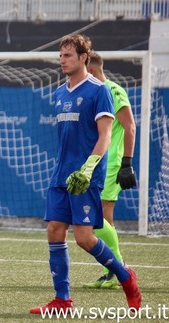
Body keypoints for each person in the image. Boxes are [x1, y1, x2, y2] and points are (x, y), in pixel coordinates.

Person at [29, 35, 141, 314]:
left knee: (84, 238)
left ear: (83, 58)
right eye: (60, 56)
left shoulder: (99, 90)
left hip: (86, 176)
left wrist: (89, 167)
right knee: (54, 230)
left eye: (68, 55)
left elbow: (104, 136)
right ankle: (63, 301)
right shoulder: (59, 93)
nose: (62, 60)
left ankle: (126, 278)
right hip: (61, 175)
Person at [83, 51, 137, 289]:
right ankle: (112, 269)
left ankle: (118, 268)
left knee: (100, 217)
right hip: (97, 164)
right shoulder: (94, 93)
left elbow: (130, 126)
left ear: (91, 70)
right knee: (101, 219)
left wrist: (127, 163)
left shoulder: (114, 90)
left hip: (112, 164)